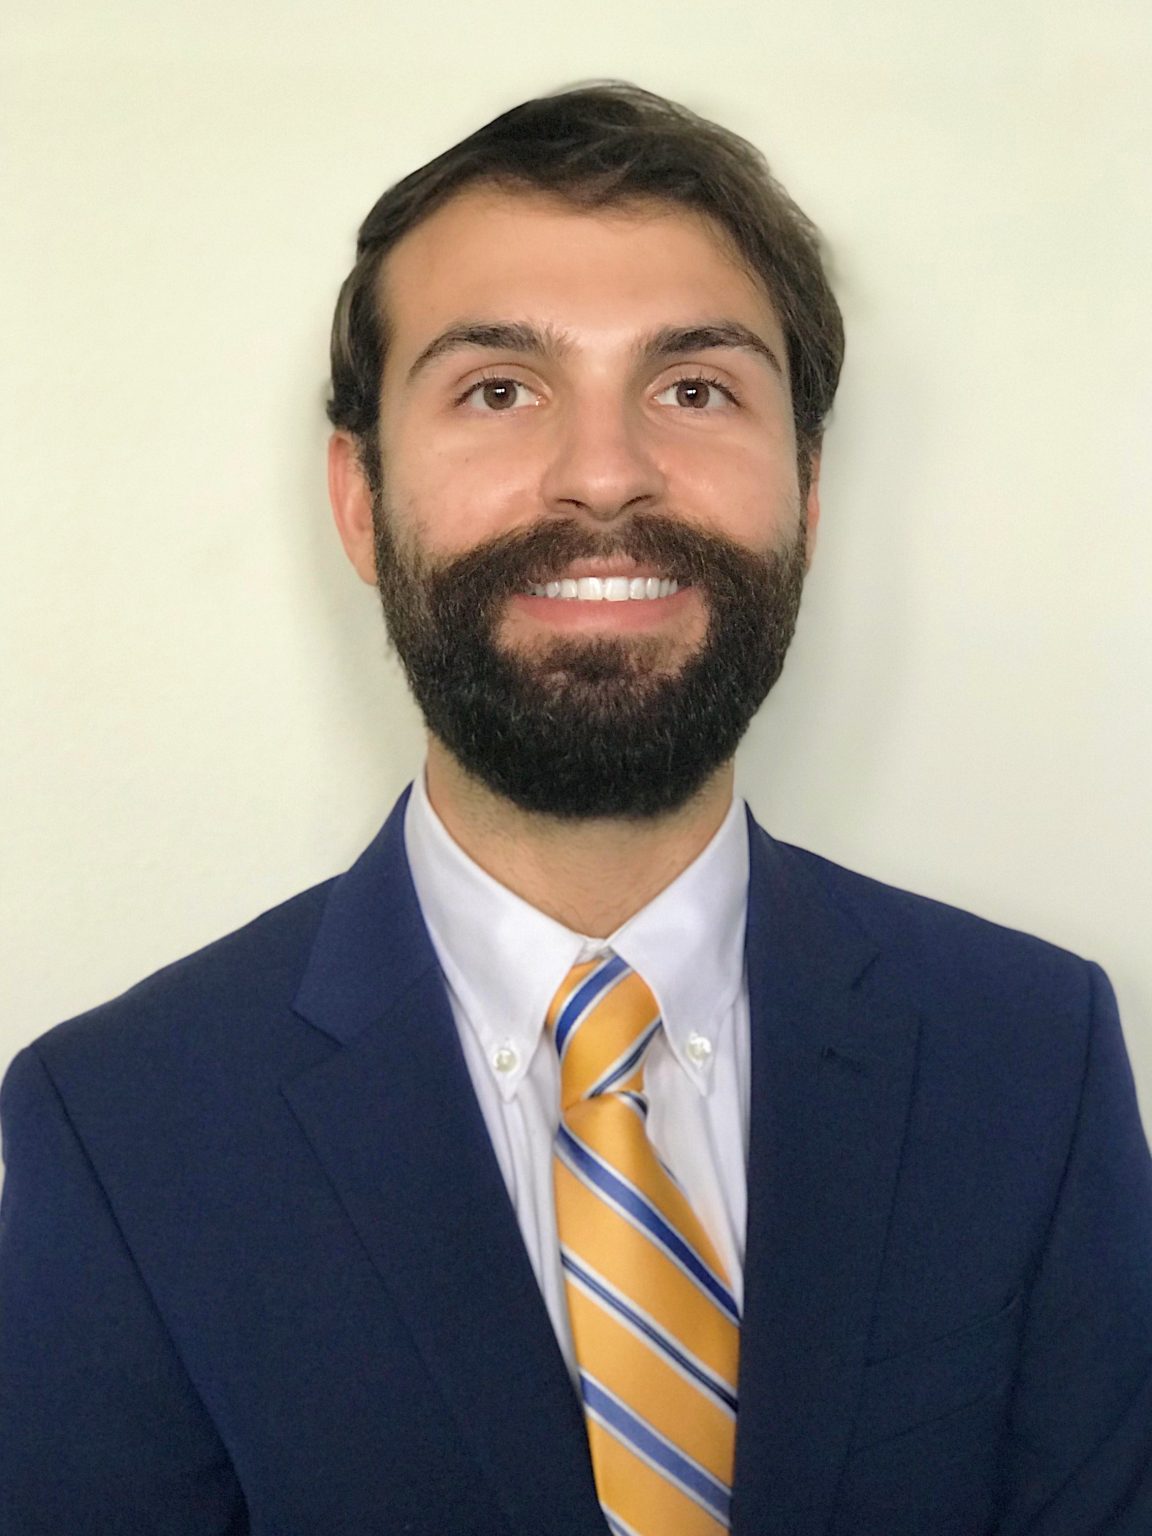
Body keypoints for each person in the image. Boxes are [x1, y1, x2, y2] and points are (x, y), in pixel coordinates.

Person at [1, 81, 1149, 1536]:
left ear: (807, 493)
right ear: (360, 503)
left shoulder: (1034, 1056)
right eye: (498, 389)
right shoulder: (118, 1127)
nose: (605, 474)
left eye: (694, 389)